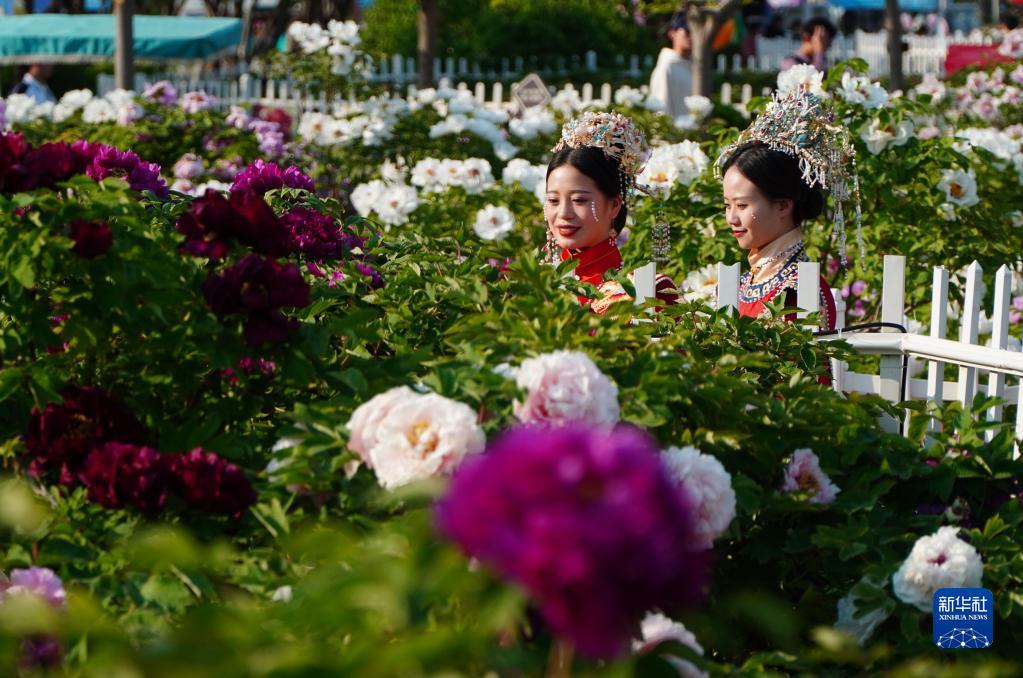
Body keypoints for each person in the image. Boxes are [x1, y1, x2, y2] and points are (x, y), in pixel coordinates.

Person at [715, 90, 862, 330]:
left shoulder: (798, 290)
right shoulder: (740, 284)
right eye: (727, 205)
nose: (731, 218)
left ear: (783, 205)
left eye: (742, 205)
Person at [544, 111, 677, 315]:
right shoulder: (531, 284)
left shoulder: (648, 290)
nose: (563, 213)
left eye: (579, 200)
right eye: (553, 200)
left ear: (614, 205)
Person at [648, 14, 693, 119]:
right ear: (672, 33)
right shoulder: (667, 66)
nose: (691, 37)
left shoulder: (696, 66)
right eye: (687, 32)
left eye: (695, 33)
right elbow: (661, 107)